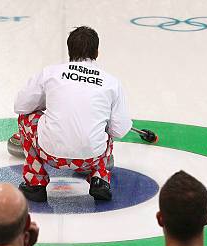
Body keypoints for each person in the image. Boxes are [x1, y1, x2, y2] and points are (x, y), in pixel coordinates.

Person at [13, 26, 132, 202]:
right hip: (91, 158)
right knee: (109, 126)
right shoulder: (112, 83)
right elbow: (120, 130)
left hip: (50, 154)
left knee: (26, 119)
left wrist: (47, 104)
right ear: (97, 52)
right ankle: (99, 178)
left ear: (69, 50)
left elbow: (21, 106)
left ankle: (35, 183)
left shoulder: (50, 73)